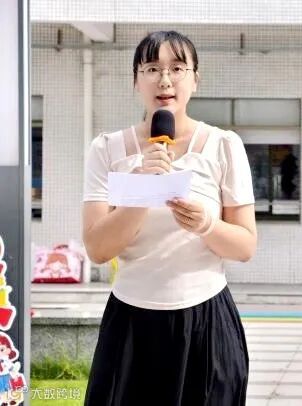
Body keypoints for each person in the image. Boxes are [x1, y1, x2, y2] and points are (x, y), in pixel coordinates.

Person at [82, 31, 257, 406]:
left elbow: (245, 246)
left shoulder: (223, 145)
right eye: (151, 68)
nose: (164, 80)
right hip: (131, 324)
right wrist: (142, 189)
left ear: (195, 79)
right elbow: (97, 249)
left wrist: (206, 224)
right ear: (136, 80)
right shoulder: (107, 149)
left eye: (177, 68)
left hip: (206, 320)